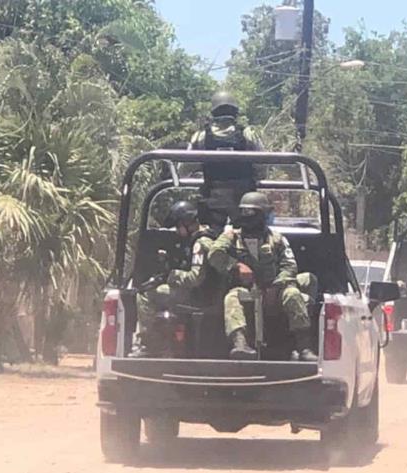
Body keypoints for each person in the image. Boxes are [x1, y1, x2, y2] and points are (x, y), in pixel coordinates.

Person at [210, 191, 317, 361]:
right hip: (246, 290)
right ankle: (240, 343)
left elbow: (289, 266)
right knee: (231, 298)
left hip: (275, 288)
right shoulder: (232, 236)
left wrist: (276, 286)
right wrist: (236, 266)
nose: (248, 217)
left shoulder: (276, 239)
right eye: (245, 212)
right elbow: (214, 254)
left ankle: (304, 347)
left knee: (293, 294)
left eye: (252, 213)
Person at [132, 200, 220, 357]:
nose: (177, 231)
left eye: (178, 227)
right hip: (204, 295)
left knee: (145, 295)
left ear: (187, 223)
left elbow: (195, 278)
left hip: (198, 296)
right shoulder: (206, 237)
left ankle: (150, 345)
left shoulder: (200, 243)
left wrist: (171, 275)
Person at [186, 91, 267, 219]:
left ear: (213, 112)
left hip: (212, 201)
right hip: (244, 203)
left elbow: (185, 168)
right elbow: (262, 166)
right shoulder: (248, 134)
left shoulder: (200, 136)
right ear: (235, 112)